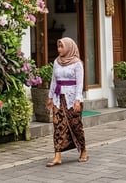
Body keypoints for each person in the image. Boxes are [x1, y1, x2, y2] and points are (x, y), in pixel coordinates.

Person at [45, 37, 88, 166]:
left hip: (72, 98)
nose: (59, 49)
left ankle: (83, 150)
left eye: (61, 46)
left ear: (69, 47)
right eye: (58, 46)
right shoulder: (57, 62)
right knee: (57, 125)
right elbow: (54, 81)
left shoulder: (77, 63)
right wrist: (50, 97)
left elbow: (80, 84)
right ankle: (57, 156)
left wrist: (77, 100)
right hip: (59, 98)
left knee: (76, 125)